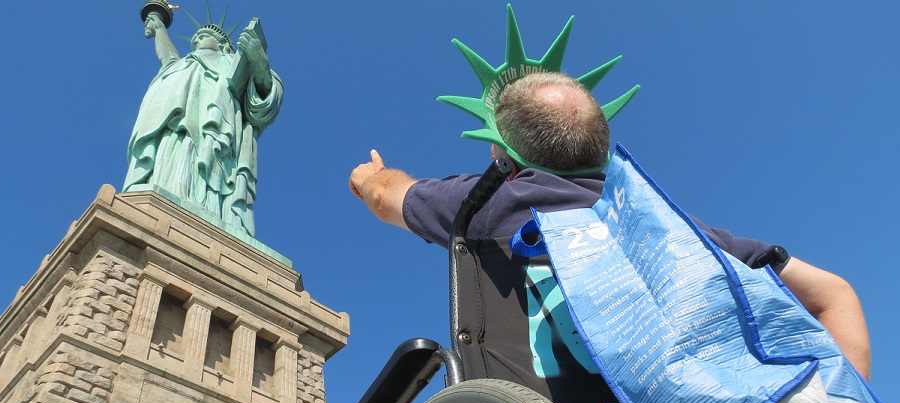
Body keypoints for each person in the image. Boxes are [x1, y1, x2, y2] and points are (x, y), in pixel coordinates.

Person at [349, 71, 871, 380]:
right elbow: (834, 293)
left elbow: (383, 196)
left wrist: (371, 174)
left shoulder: (490, 201)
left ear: (503, 153)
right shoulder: (685, 235)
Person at [124, 11, 284, 238]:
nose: (197, 38)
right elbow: (168, 57)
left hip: (215, 135)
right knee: (170, 161)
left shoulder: (231, 64)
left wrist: (259, 61)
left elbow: (266, 100)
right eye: (195, 37)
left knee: (200, 163)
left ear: (222, 44)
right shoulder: (183, 64)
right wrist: (160, 28)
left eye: (203, 35)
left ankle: (207, 212)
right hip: (173, 125)